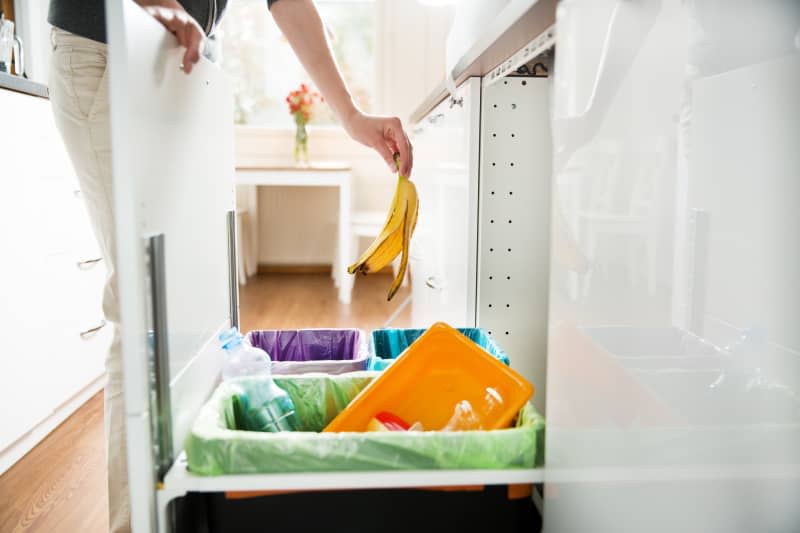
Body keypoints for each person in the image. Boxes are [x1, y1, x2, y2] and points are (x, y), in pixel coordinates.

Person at [47, 1, 414, 531]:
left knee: (197, 302)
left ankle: (194, 505)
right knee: (144, 304)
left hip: (179, 58)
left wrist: (351, 116)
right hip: (106, 45)